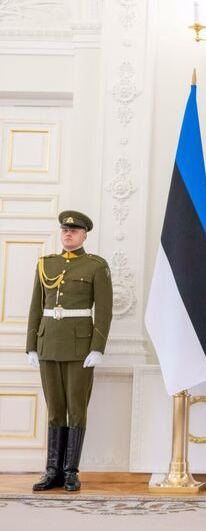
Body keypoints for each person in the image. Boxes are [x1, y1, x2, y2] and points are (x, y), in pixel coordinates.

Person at [26, 210, 112, 492]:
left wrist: (97, 347)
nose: (68, 233)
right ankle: (52, 471)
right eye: (65, 230)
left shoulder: (95, 266)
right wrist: (31, 346)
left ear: (84, 235)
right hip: (48, 343)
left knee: (76, 409)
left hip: (79, 347)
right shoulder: (46, 264)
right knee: (54, 410)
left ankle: (70, 471)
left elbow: (104, 311)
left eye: (74, 230)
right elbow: (36, 307)